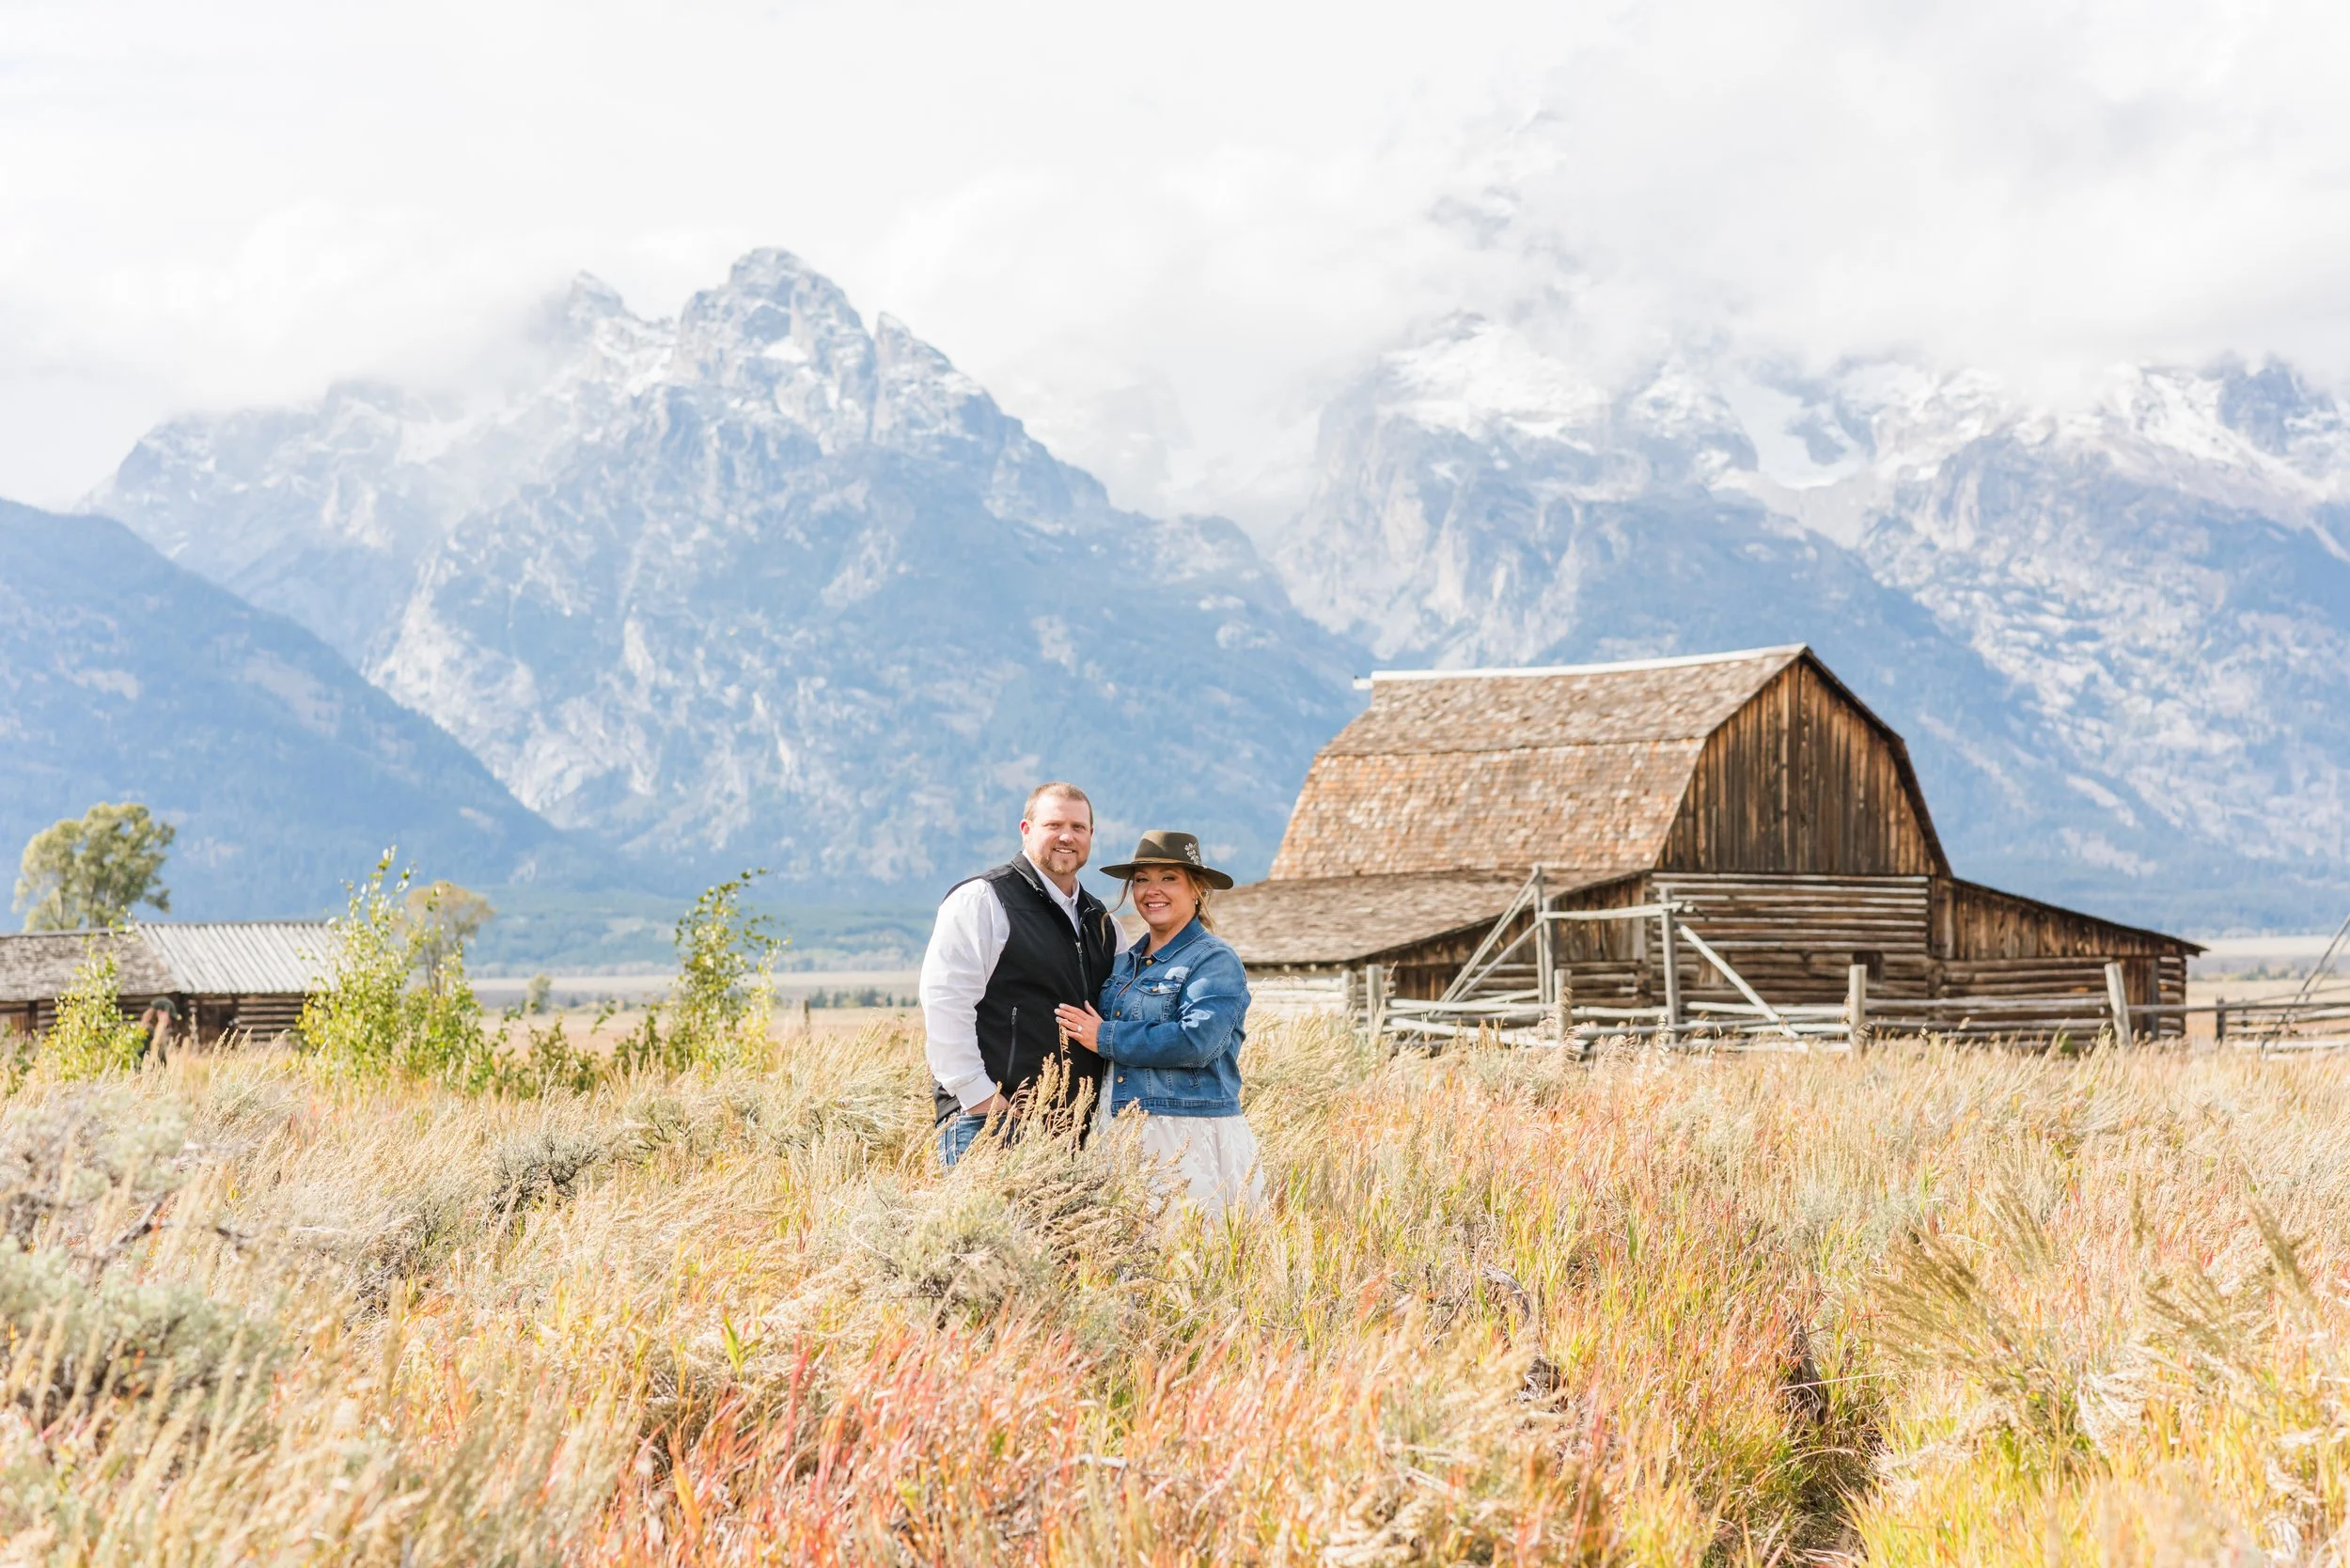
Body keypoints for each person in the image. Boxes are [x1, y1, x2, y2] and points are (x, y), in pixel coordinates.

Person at [1056, 830, 1263, 1217]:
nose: (1153, 890)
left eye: (1169, 878)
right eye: (1142, 880)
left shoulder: (1214, 960)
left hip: (1188, 1132)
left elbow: (1197, 1041)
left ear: (1197, 889)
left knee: (1192, 1246)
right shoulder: (1123, 963)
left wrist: (1105, 1036)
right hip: (1120, 1127)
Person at [919, 783, 1124, 1167]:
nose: (1067, 836)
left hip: (1072, 1131)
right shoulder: (983, 899)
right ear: (1026, 830)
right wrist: (981, 1100)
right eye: (1054, 825)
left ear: (1091, 836)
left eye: (1078, 827)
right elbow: (946, 1003)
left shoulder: (1101, 921)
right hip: (991, 1121)